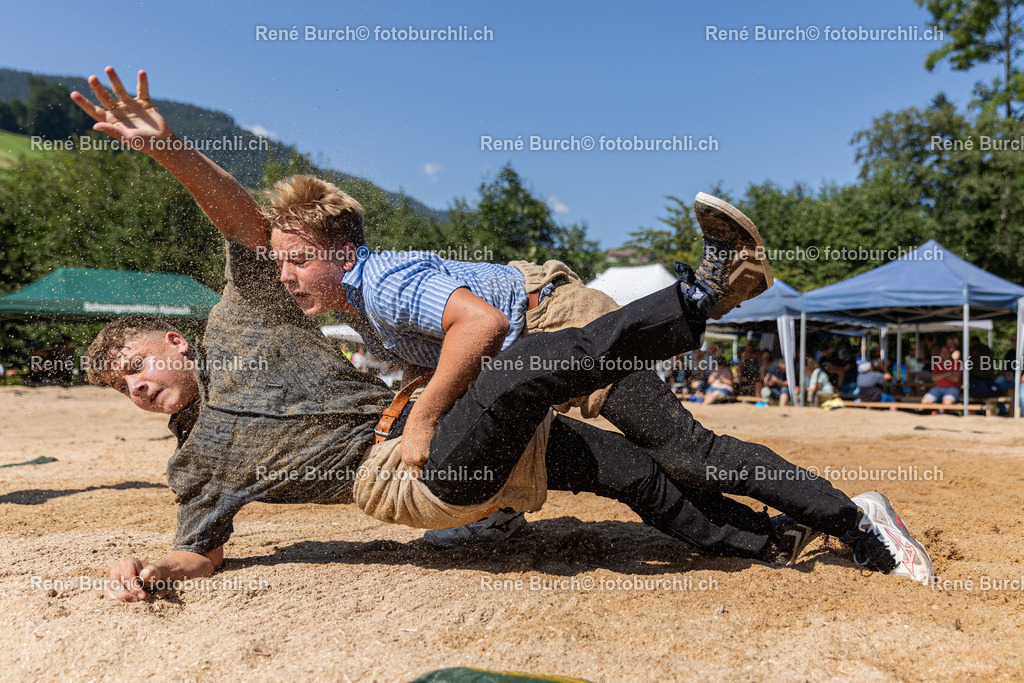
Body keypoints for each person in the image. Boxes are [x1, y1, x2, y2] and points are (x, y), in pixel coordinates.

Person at [73, 67, 935, 591]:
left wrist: (169, 150)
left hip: (536, 331)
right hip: (453, 434)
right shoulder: (196, 465)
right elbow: (201, 550)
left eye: (135, 362)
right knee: (611, 440)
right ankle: (772, 511)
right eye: (123, 386)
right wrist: (153, 566)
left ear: (177, 340)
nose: (136, 384)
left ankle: (802, 493)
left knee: (663, 454)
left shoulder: (259, 314)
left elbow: (248, 228)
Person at [921, 345, 962, 411]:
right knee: (924, 402)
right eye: (942, 352)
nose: (944, 354)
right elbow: (934, 378)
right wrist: (948, 374)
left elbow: (956, 379)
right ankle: (940, 409)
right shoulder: (938, 364)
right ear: (940, 354)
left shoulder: (958, 363)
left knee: (947, 403)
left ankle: (942, 410)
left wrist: (940, 376)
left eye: (946, 352)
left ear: (950, 352)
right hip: (938, 387)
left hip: (953, 388)